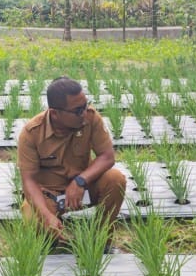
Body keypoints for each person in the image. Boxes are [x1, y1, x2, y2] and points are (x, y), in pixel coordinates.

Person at [17, 76, 126, 248]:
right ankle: (59, 239)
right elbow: (28, 180)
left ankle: (100, 241)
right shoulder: (32, 133)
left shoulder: (90, 118)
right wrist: (46, 215)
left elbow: (107, 156)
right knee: (33, 221)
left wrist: (80, 181)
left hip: (82, 191)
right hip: (50, 195)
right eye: (77, 110)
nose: (84, 112)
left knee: (116, 179)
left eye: (84, 106)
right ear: (55, 113)